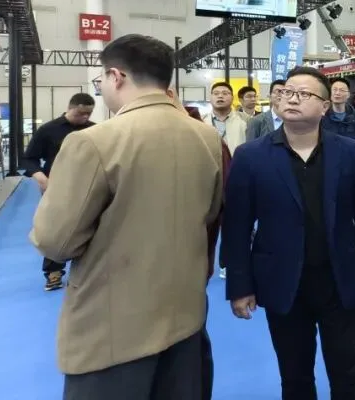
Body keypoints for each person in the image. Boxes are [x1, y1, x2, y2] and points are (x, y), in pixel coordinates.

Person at [29, 34, 225, 400]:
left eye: (101, 79)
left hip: (113, 330)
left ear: (116, 76)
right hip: (186, 317)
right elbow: (211, 213)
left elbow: (56, 241)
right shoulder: (207, 138)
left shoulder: (93, 141)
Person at [221, 66, 355, 400]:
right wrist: (240, 285)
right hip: (282, 282)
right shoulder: (251, 156)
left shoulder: (350, 153)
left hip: (338, 279)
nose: (292, 99)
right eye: (287, 92)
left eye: (304, 94)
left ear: (324, 106)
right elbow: (237, 225)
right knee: (294, 376)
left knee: (348, 371)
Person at [180, 101, 230, 400]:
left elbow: (57, 238)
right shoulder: (210, 138)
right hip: (192, 265)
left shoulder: (104, 138)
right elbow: (218, 206)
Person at [21, 92, 96, 290]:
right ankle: (53, 272)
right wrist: (40, 177)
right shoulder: (48, 130)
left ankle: (89, 271)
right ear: (70, 108)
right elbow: (28, 159)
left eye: (88, 114)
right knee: (57, 229)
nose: (85, 118)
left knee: (93, 226)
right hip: (56, 186)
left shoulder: (95, 130)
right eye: (80, 113)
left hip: (88, 185)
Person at [321, 76, 355, 149]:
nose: (337, 93)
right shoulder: (322, 116)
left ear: (348, 95)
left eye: (342, 90)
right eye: (334, 89)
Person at [203, 81, 247, 153]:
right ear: (210, 98)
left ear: (232, 98)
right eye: (216, 93)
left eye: (225, 93)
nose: (220, 96)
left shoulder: (246, 119)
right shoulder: (201, 120)